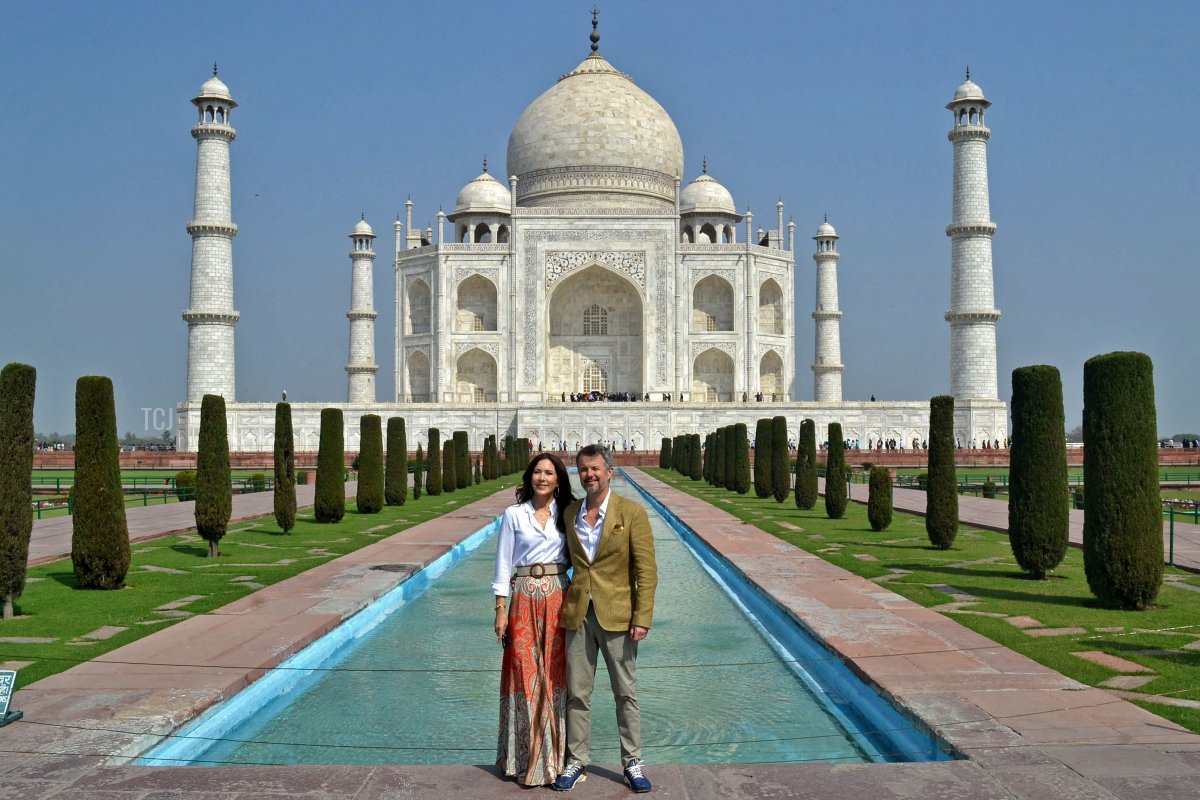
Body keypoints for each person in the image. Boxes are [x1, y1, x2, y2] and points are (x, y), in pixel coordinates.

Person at [553, 445, 657, 793]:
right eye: (583, 470)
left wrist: (642, 617)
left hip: (618, 617)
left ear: (610, 471)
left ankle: (632, 760)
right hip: (579, 614)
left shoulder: (632, 513)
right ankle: (576, 760)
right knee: (577, 694)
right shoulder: (570, 514)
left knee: (625, 693)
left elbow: (647, 571)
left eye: (595, 469)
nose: (590, 475)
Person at [494, 453, 576, 786]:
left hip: (558, 594)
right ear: (530, 477)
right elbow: (502, 564)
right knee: (525, 675)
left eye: (549, 473)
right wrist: (500, 607)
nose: (542, 478)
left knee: (556, 676)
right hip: (524, 595)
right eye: (537, 472)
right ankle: (525, 758)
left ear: (559, 479)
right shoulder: (514, 514)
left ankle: (559, 759)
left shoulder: (567, 513)